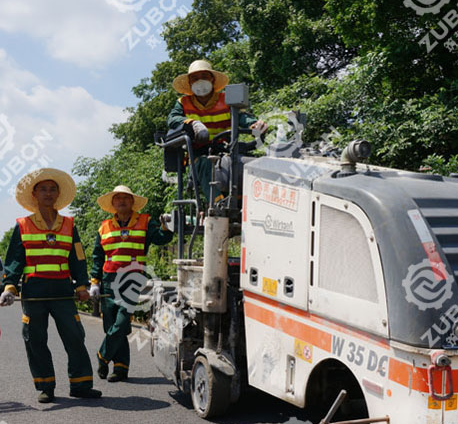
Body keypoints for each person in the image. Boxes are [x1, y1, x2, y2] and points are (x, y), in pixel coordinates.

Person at [0, 168, 102, 403]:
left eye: (52, 189)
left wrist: (82, 286)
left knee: (75, 336)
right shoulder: (23, 225)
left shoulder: (69, 224)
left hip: (62, 291)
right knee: (35, 339)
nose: (48, 193)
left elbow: (78, 258)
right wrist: (9, 288)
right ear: (34, 194)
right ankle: (46, 386)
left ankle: (81, 385)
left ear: (58, 194)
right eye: (43, 189)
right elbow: (14, 260)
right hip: (34, 291)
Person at [90, 185, 173, 382]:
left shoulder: (145, 221)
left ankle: (102, 355)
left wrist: (166, 226)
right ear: (113, 203)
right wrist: (94, 281)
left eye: (125, 198)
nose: (122, 201)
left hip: (132, 279)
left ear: (132, 202)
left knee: (121, 323)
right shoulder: (104, 227)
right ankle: (120, 368)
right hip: (109, 280)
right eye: (118, 198)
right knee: (111, 324)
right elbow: (97, 256)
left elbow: (161, 239)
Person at [167, 59, 267, 202]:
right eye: (195, 78)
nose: (200, 81)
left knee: (252, 163)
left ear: (212, 79)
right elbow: (172, 119)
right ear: (190, 83)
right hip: (198, 153)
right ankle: (218, 205)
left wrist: (255, 124)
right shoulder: (183, 103)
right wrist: (192, 123)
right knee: (205, 163)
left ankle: (247, 202)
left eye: (204, 76)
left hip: (225, 149)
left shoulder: (226, 99)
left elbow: (242, 117)